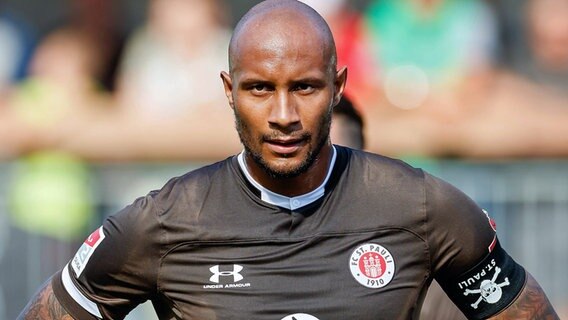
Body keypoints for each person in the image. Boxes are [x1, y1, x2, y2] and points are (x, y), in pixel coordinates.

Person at [18, 1, 559, 319]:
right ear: (228, 91)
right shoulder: (166, 220)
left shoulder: (422, 206)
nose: (283, 114)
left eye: (304, 87)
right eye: (258, 89)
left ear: (339, 87)